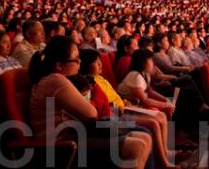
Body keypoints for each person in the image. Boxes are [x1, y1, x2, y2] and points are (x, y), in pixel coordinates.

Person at [28, 36, 151, 169]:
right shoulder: (56, 80)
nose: (79, 62)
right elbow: (91, 113)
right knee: (137, 146)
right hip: (63, 146)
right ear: (59, 65)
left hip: (76, 134)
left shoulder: (54, 79)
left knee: (144, 137)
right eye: (76, 58)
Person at [79, 48, 180, 167]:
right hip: (116, 112)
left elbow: (146, 92)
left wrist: (165, 101)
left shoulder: (100, 78)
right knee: (152, 124)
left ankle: (164, 152)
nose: (101, 64)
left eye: (100, 61)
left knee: (160, 117)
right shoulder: (89, 84)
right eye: (96, 62)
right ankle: (163, 162)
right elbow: (105, 105)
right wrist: (165, 104)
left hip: (124, 106)